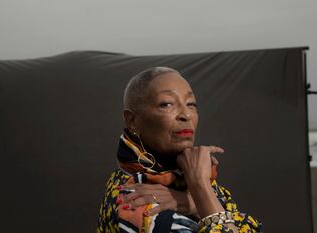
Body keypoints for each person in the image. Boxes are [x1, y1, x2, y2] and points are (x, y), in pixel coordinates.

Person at [97, 67, 263, 233]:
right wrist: (201, 188)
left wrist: (191, 203)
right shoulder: (138, 199)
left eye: (191, 104)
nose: (186, 115)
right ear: (132, 120)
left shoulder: (181, 179)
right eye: (166, 104)